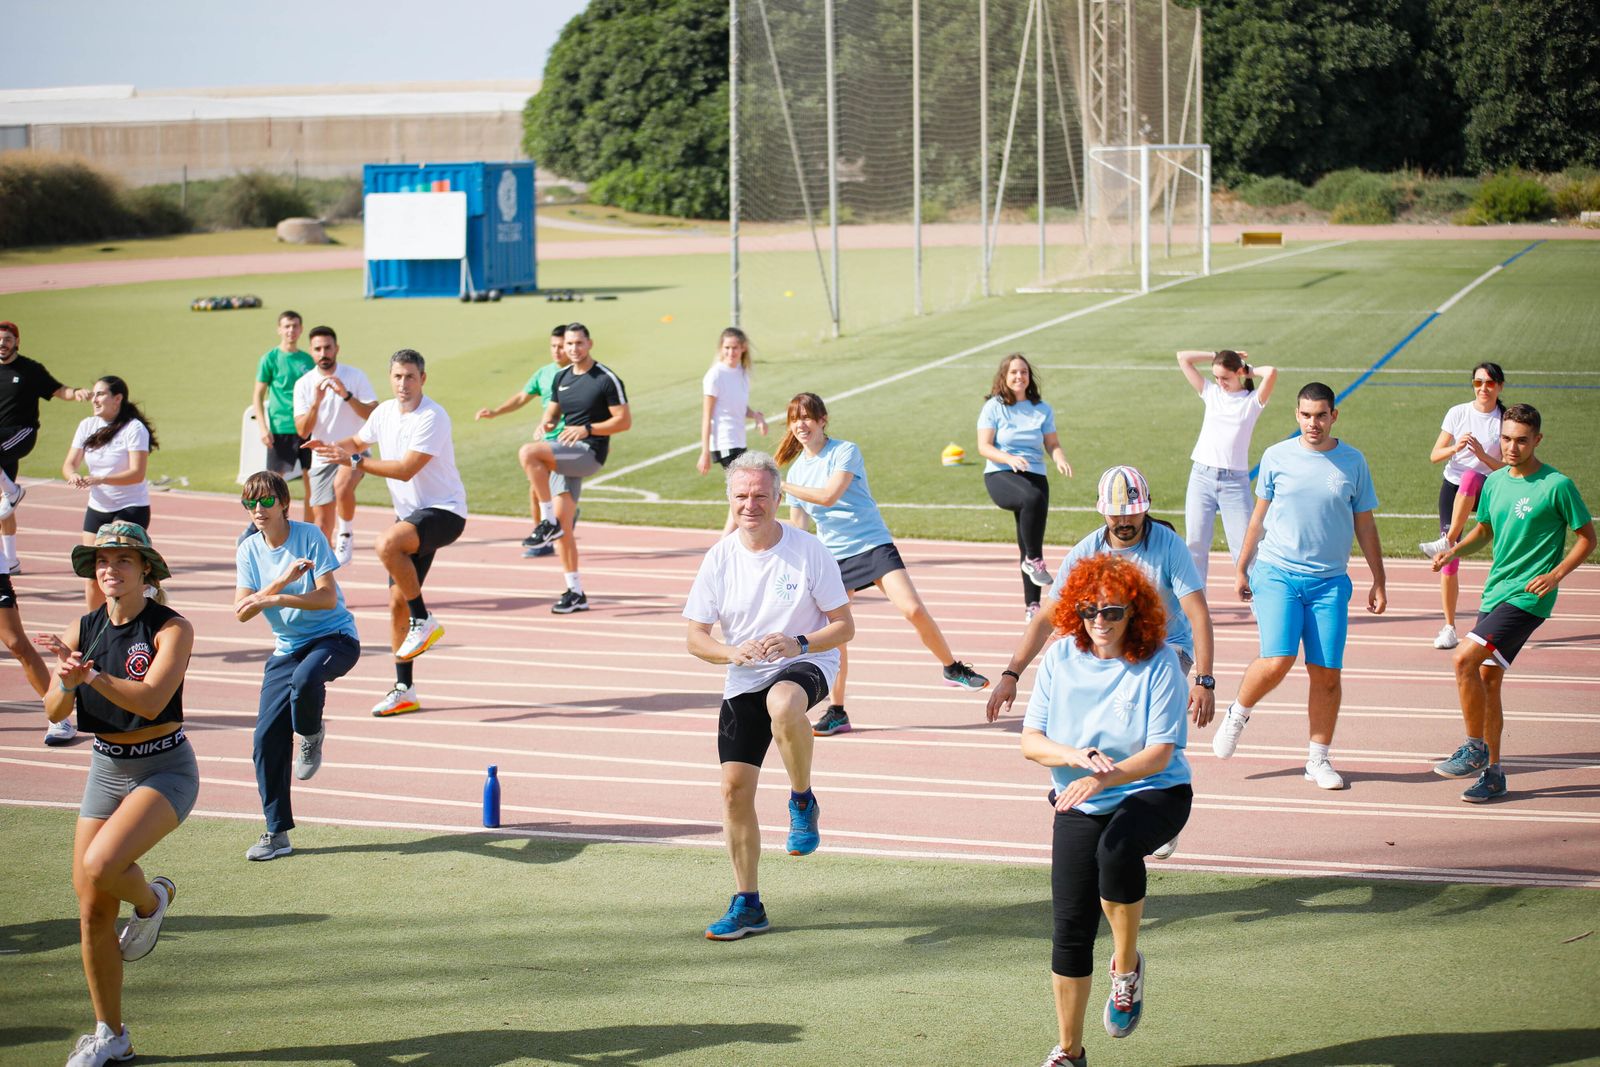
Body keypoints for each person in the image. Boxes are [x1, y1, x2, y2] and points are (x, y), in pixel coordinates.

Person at [1022, 554, 1191, 1067]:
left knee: (1116, 852)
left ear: (1134, 612)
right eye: (1088, 610)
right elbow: (1032, 742)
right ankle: (1069, 1052)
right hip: (1080, 796)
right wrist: (1071, 757)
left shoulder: (1159, 661)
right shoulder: (1058, 658)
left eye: (1113, 612)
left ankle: (1126, 967)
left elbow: (1160, 752)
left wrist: (1100, 777)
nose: (1100, 621)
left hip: (1154, 789)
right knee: (1070, 926)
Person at [37, 521, 196, 1067]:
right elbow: (54, 712)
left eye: (123, 560)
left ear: (145, 570)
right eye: (102, 561)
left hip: (166, 770)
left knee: (103, 863)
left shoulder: (172, 628)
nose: (110, 569)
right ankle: (111, 1034)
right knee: (91, 911)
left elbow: (151, 701)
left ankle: (153, 901)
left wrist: (93, 677)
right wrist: (67, 680)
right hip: (106, 768)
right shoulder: (85, 627)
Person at [684, 451, 855, 940]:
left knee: (783, 702)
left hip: (809, 662)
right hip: (745, 675)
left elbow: (845, 626)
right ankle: (749, 903)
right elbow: (695, 637)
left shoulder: (808, 550)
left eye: (761, 495)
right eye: (741, 496)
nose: (751, 504)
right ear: (730, 501)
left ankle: (802, 800)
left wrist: (798, 642)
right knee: (734, 791)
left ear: (778, 497)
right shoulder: (719, 558)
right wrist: (729, 653)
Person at [776, 391, 987, 736]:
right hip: (834, 557)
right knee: (836, 637)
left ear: (822, 420)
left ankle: (951, 666)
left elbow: (830, 496)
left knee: (913, 609)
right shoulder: (798, 469)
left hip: (872, 543)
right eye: (794, 419)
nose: (801, 424)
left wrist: (783, 484)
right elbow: (800, 526)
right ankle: (837, 710)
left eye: (807, 417)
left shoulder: (845, 451)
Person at [1211, 383, 1386, 790]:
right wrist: (1241, 568)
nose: (1313, 423)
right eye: (1306, 415)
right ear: (1297, 415)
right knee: (1279, 659)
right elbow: (1258, 518)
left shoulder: (1353, 462)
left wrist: (1379, 578)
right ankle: (1238, 713)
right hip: (1277, 572)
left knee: (1326, 675)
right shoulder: (1277, 456)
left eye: (1321, 415)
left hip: (1329, 583)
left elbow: (1365, 523)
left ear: (1334, 416)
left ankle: (1317, 760)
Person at [1430, 403, 1594, 803]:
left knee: (1463, 658)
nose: (1512, 447)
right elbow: (1484, 530)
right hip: (1496, 591)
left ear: (1537, 440)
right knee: (1487, 680)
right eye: (1506, 439)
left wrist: (1555, 575)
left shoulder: (1557, 485)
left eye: (1521, 440)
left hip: (1528, 598)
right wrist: (1456, 550)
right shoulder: (1496, 481)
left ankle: (1474, 747)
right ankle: (1494, 774)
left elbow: (1588, 537)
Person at [313, 349, 466, 717]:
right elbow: (358, 441)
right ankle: (404, 689)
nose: (403, 384)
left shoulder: (433, 416)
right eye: (397, 377)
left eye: (410, 377)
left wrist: (354, 461)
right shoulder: (383, 412)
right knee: (395, 601)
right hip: (410, 516)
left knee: (385, 543)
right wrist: (330, 448)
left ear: (423, 379)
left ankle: (424, 618)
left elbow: (405, 470)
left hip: (444, 513)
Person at [234, 470, 362, 859]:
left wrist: (277, 599)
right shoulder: (248, 549)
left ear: (284, 503)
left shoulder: (309, 536)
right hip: (287, 648)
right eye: (250, 502)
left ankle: (309, 735)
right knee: (264, 738)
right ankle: (277, 833)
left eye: (266, 501)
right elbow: (241, 611)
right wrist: (281, 585)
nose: (258, 509)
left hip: (335, 639)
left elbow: (325, 599)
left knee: (307, 680)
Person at [520, 323, 632, 613]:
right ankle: (575, 591)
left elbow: (624, 421)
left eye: (579, 343)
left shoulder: (606, 378)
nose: (573, 349)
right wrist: (544, 423)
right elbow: (552, 412)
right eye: (569, 344)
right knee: (565, 530)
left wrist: (587, 429)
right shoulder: (561, 377)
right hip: (561, 454)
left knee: (528, 453)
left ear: (590, 344)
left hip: (588, 452)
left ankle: (545, 521)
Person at [977, 353, 1073, 621]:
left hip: (1035, 474)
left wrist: (1060, 458)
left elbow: (1051, 444)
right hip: (1002, 473)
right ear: (1004, 378)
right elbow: (983, 446)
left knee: (1029, 541)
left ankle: (1032, 606)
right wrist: (1008, 458)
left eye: (1024, 372)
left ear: (1029, 377)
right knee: (1031, 500)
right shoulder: (994, 407)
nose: (1019, 377)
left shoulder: (1042, 409)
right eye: (1014, 373)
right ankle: (1033, 561)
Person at [1418, 362, 1505, 650]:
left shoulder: (1504, 419)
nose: (1483, 388)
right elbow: (1434, 455)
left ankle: (1448, 540)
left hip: (1490, 487)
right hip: (1453, 488)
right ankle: (1449, 628)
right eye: (1478, 382)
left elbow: (1507, 467)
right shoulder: (1458, 413)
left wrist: (1481, 454)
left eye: (1489, 383)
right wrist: (1455, 448)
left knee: (1472, 476)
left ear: (1499, 387)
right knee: (1450, 562)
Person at [1175, 348, 1278, 585]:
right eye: (1217, 378)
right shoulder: (1211, 393)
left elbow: (1271, 372)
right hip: (1201, 477)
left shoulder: (1252, 402)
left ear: (1239, 373)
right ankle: (1195, 615)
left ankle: (1259, 609)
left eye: (1226, 378)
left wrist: (1249, 369)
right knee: (1195, 547)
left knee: (1246, 549)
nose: (1220, 383)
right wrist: (1215, 354)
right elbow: (1183, 357)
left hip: (1234, 483)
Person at [0, 318, 91, 573]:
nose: (2, 344)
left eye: (7, 339)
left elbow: (57, 389)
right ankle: (11, 560)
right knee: (3, 505)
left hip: (21, 433)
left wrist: (76, 393)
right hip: (1, 442)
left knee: (8, 497)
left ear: (17, 341)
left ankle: (13, 491)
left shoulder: (29, 369)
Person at [476, 323, 570, 560]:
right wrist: (496, 412)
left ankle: (557, 526)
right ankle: (545, 537)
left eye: (561, 346)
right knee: (535, 490)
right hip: (547, 440)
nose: (557, 351)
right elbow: (521, 397)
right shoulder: (544, 373)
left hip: (570, 440)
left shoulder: (580, 373)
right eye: (553, 346)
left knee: (557, 491)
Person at [292, 325, 378, 565]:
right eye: (318, 349)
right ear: (311, 352)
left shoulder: (355, 376)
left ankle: (346, 533)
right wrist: (316, 403)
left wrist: (346, 395)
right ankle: (325, 582)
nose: (323, 354)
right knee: (320, 527)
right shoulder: (303, 384)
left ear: (336, 348)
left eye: (328, 348)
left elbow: (373, 413)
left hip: (354, 450)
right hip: (322, 457)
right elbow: (302, 429)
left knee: (342, 486)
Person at [698, 327, 768, 535]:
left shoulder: (742, 373)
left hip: (738, 439)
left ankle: (729, 542)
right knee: (744, 491)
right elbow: (707, 415)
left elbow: (737, 406)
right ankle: (724, 545)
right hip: (724, 442)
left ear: (743, 348)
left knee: (742, 493)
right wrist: (704, 452)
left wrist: (755, 415)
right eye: (727, 348)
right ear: (721, 349)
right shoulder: (715, 375)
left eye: (735, 348)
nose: (731, 352)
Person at [251, 310, 314, 521]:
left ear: (301, 329)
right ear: (279, 329)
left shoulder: (308, 359)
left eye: (295, 326)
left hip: (306, 428)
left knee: (311, 483)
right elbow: (258, 395)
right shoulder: (270, 358)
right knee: (273, 485)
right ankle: (265, 525)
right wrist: (262, 427)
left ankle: (310, 528)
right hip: (281, 427)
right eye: (287, 326)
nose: (291, 330)